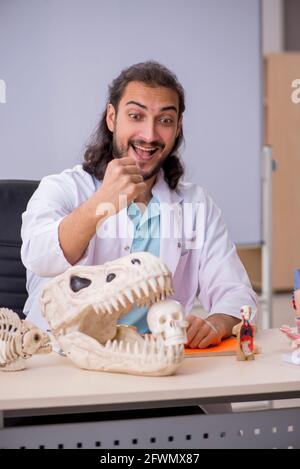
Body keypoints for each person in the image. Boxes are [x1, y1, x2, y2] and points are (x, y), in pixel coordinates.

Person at [21, 61, 258, 349]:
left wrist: (214, 324)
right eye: (136, 116)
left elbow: (236, 292)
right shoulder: (62, 189)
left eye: (165, 120)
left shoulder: (196, 205)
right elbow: (38, 256)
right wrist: (100, 204)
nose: (149, 135)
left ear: (178, 127)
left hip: (154, 360)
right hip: (64, 360)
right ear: (112, 118)